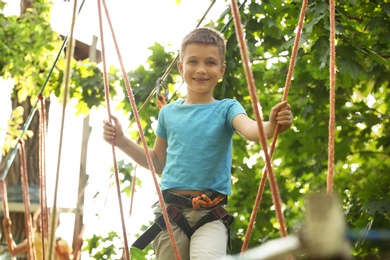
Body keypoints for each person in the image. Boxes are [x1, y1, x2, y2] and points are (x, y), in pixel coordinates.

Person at [103, 27, 292, 260]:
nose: (201, 70)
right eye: (193, 61)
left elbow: (252, 129)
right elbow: (158, 162)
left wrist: (271, 126)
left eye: (210, 63)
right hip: (171, 214)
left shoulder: (227, 108)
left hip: (210, 214)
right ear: (181, 68)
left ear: (221, 70)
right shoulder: (169, 113)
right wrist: (121, 140)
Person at [3, 209, 72, 260]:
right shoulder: (34, 239)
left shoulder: (62, 243)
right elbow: (13, 251)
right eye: (44, 219)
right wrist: (7, 229)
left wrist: (61, 253)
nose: (48, 222)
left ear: (58, 222)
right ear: (39, 222)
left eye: (51, 219)